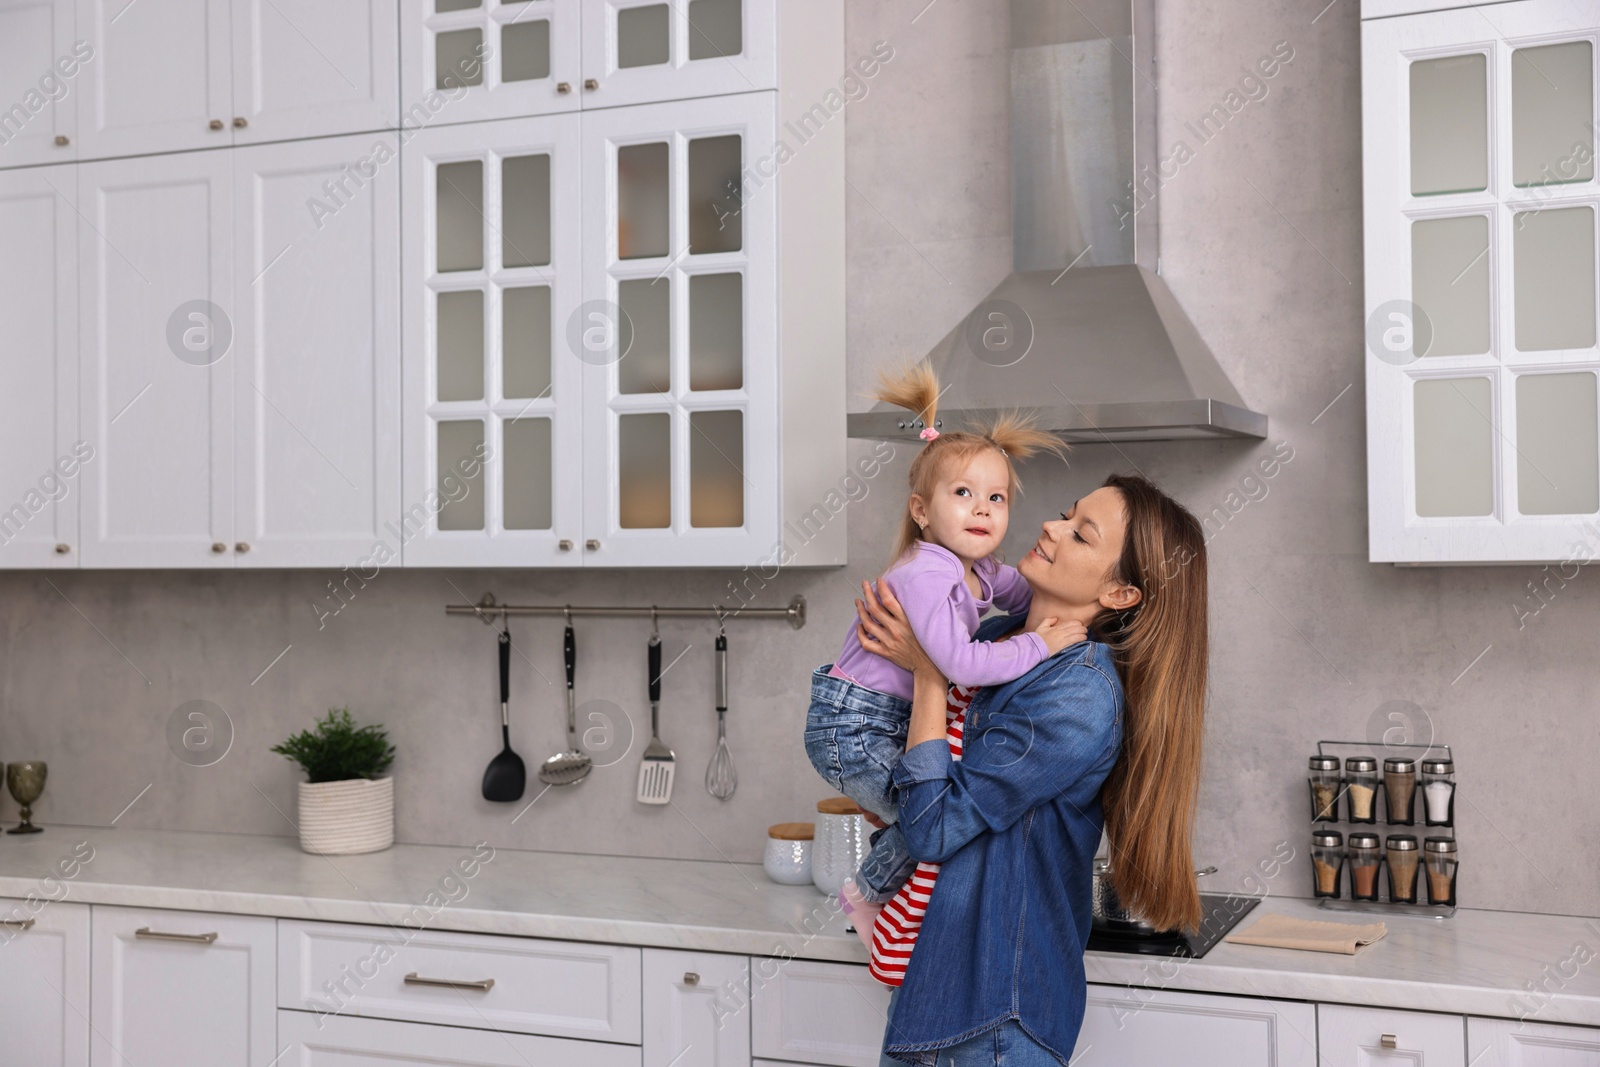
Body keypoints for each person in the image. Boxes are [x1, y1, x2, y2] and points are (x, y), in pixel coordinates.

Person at [851, 471, 1210, 1066]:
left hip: (992, 1016)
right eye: (1066, 513)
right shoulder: (993, 638)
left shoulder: (1079, 694)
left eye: (1081, 534)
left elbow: (933, 828)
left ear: (1121, 593)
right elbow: (922, 797)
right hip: (933, 990)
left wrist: (928, 673)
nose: (1050, 526)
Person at [805, 362, 1079, 925]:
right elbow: (961, 664)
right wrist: (1042, 649)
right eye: (963, 493)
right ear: (922, 511)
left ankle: (870, 899)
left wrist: (1061, 620)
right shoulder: (928, 572)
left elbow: (1029, 601)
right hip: (852, 726)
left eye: (997, 498)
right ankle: (867, 898)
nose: (983, 508)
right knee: (929, 817)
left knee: (930, 814)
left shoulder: (979, 569)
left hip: (882, 719)